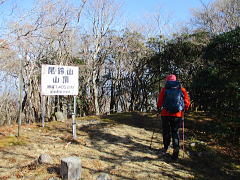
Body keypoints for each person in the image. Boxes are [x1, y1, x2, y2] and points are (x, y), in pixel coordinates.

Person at [157, 74, 190, 160]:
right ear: (176, 81)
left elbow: (159, 102)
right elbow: (187, 102)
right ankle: (175, 152)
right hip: (177, 114)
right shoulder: (182, 90)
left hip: (165, 114)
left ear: (167, 81)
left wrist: (159, 107)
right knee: (175, 132)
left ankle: (165, 148)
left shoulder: (164, 90)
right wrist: (184, 109)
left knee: (166, 131)